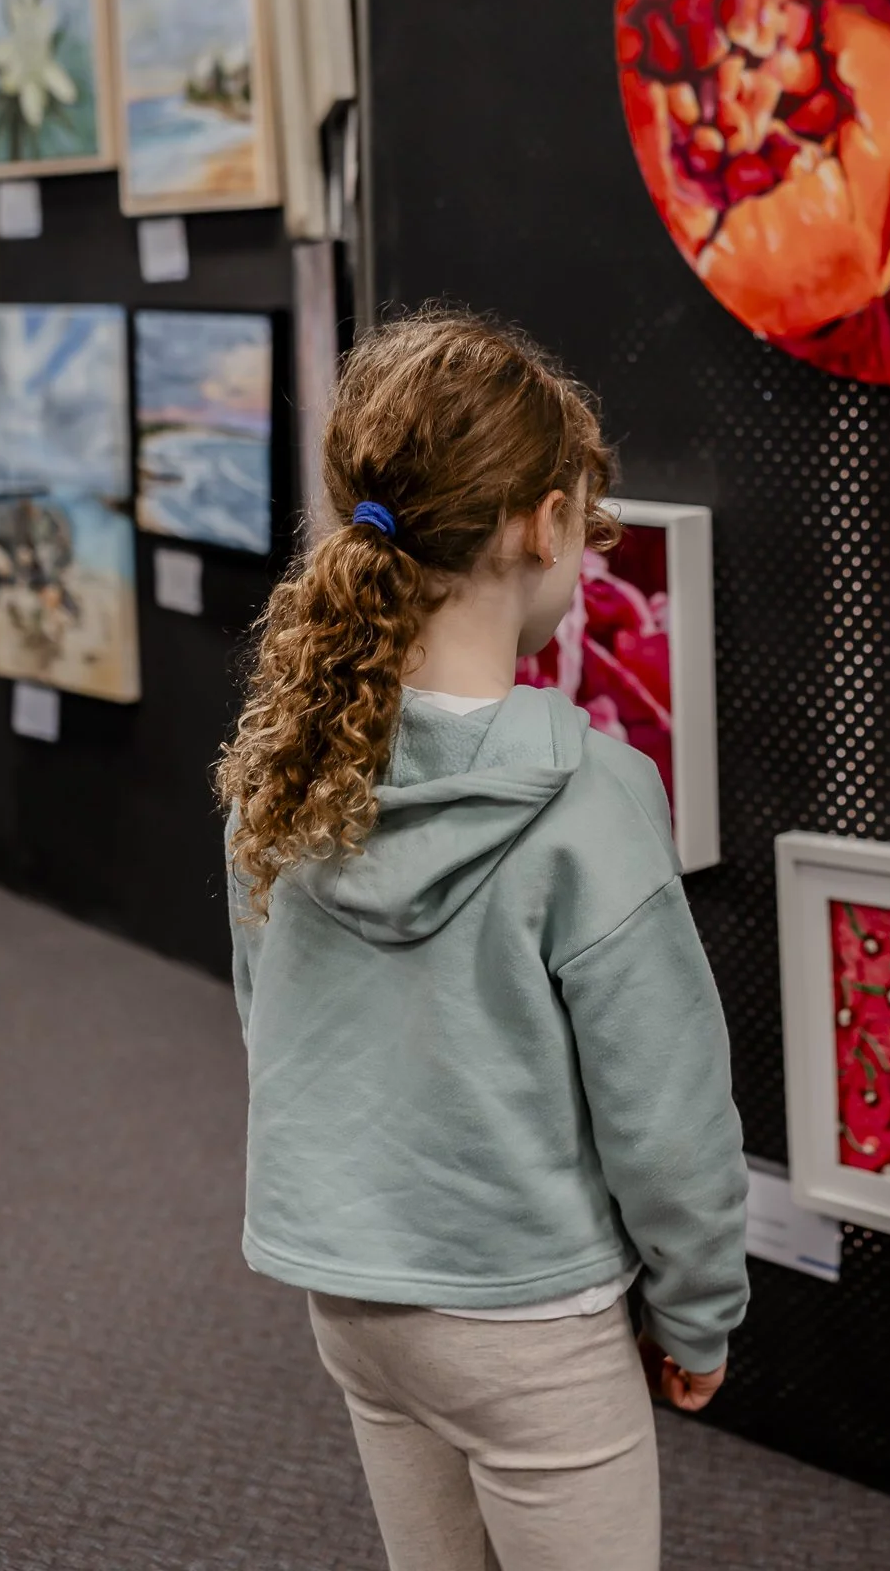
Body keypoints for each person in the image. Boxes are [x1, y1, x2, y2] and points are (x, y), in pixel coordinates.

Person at [216, 307, 749, 1571]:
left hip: (349, 1293)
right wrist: (699, 1310)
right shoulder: (595, 799)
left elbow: (268, 1026)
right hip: (532, 1322)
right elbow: (667, 1113)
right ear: (546, 524)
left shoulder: (282, 768)